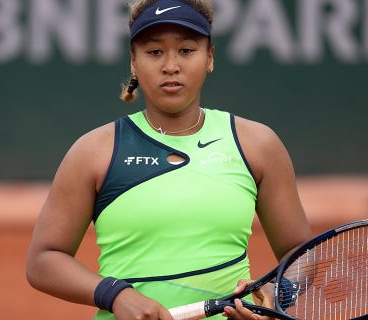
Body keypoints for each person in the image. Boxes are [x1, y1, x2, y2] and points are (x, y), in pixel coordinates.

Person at [25, 0, 311, 319]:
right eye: (154, 52)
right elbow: (43, 259)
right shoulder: (93, 151)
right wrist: (115, 294)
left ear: (210, 58)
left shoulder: (257, 144)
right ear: (133, 62)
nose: (171, 65)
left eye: (187, 50)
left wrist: (277, 292)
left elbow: (301, 254)